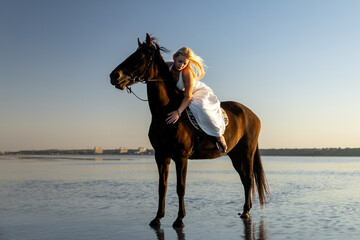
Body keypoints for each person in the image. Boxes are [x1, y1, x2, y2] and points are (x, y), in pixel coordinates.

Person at [165, 47, 227, 154]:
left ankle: (219, 136)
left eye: (185, 63)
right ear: (174, 57)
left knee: (201, 108)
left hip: (196, 92)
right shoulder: (167, 66)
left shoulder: (186, 72)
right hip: (181, 94)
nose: (181, 65)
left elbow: (188, 96)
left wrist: (178, 112)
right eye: (180, 61)